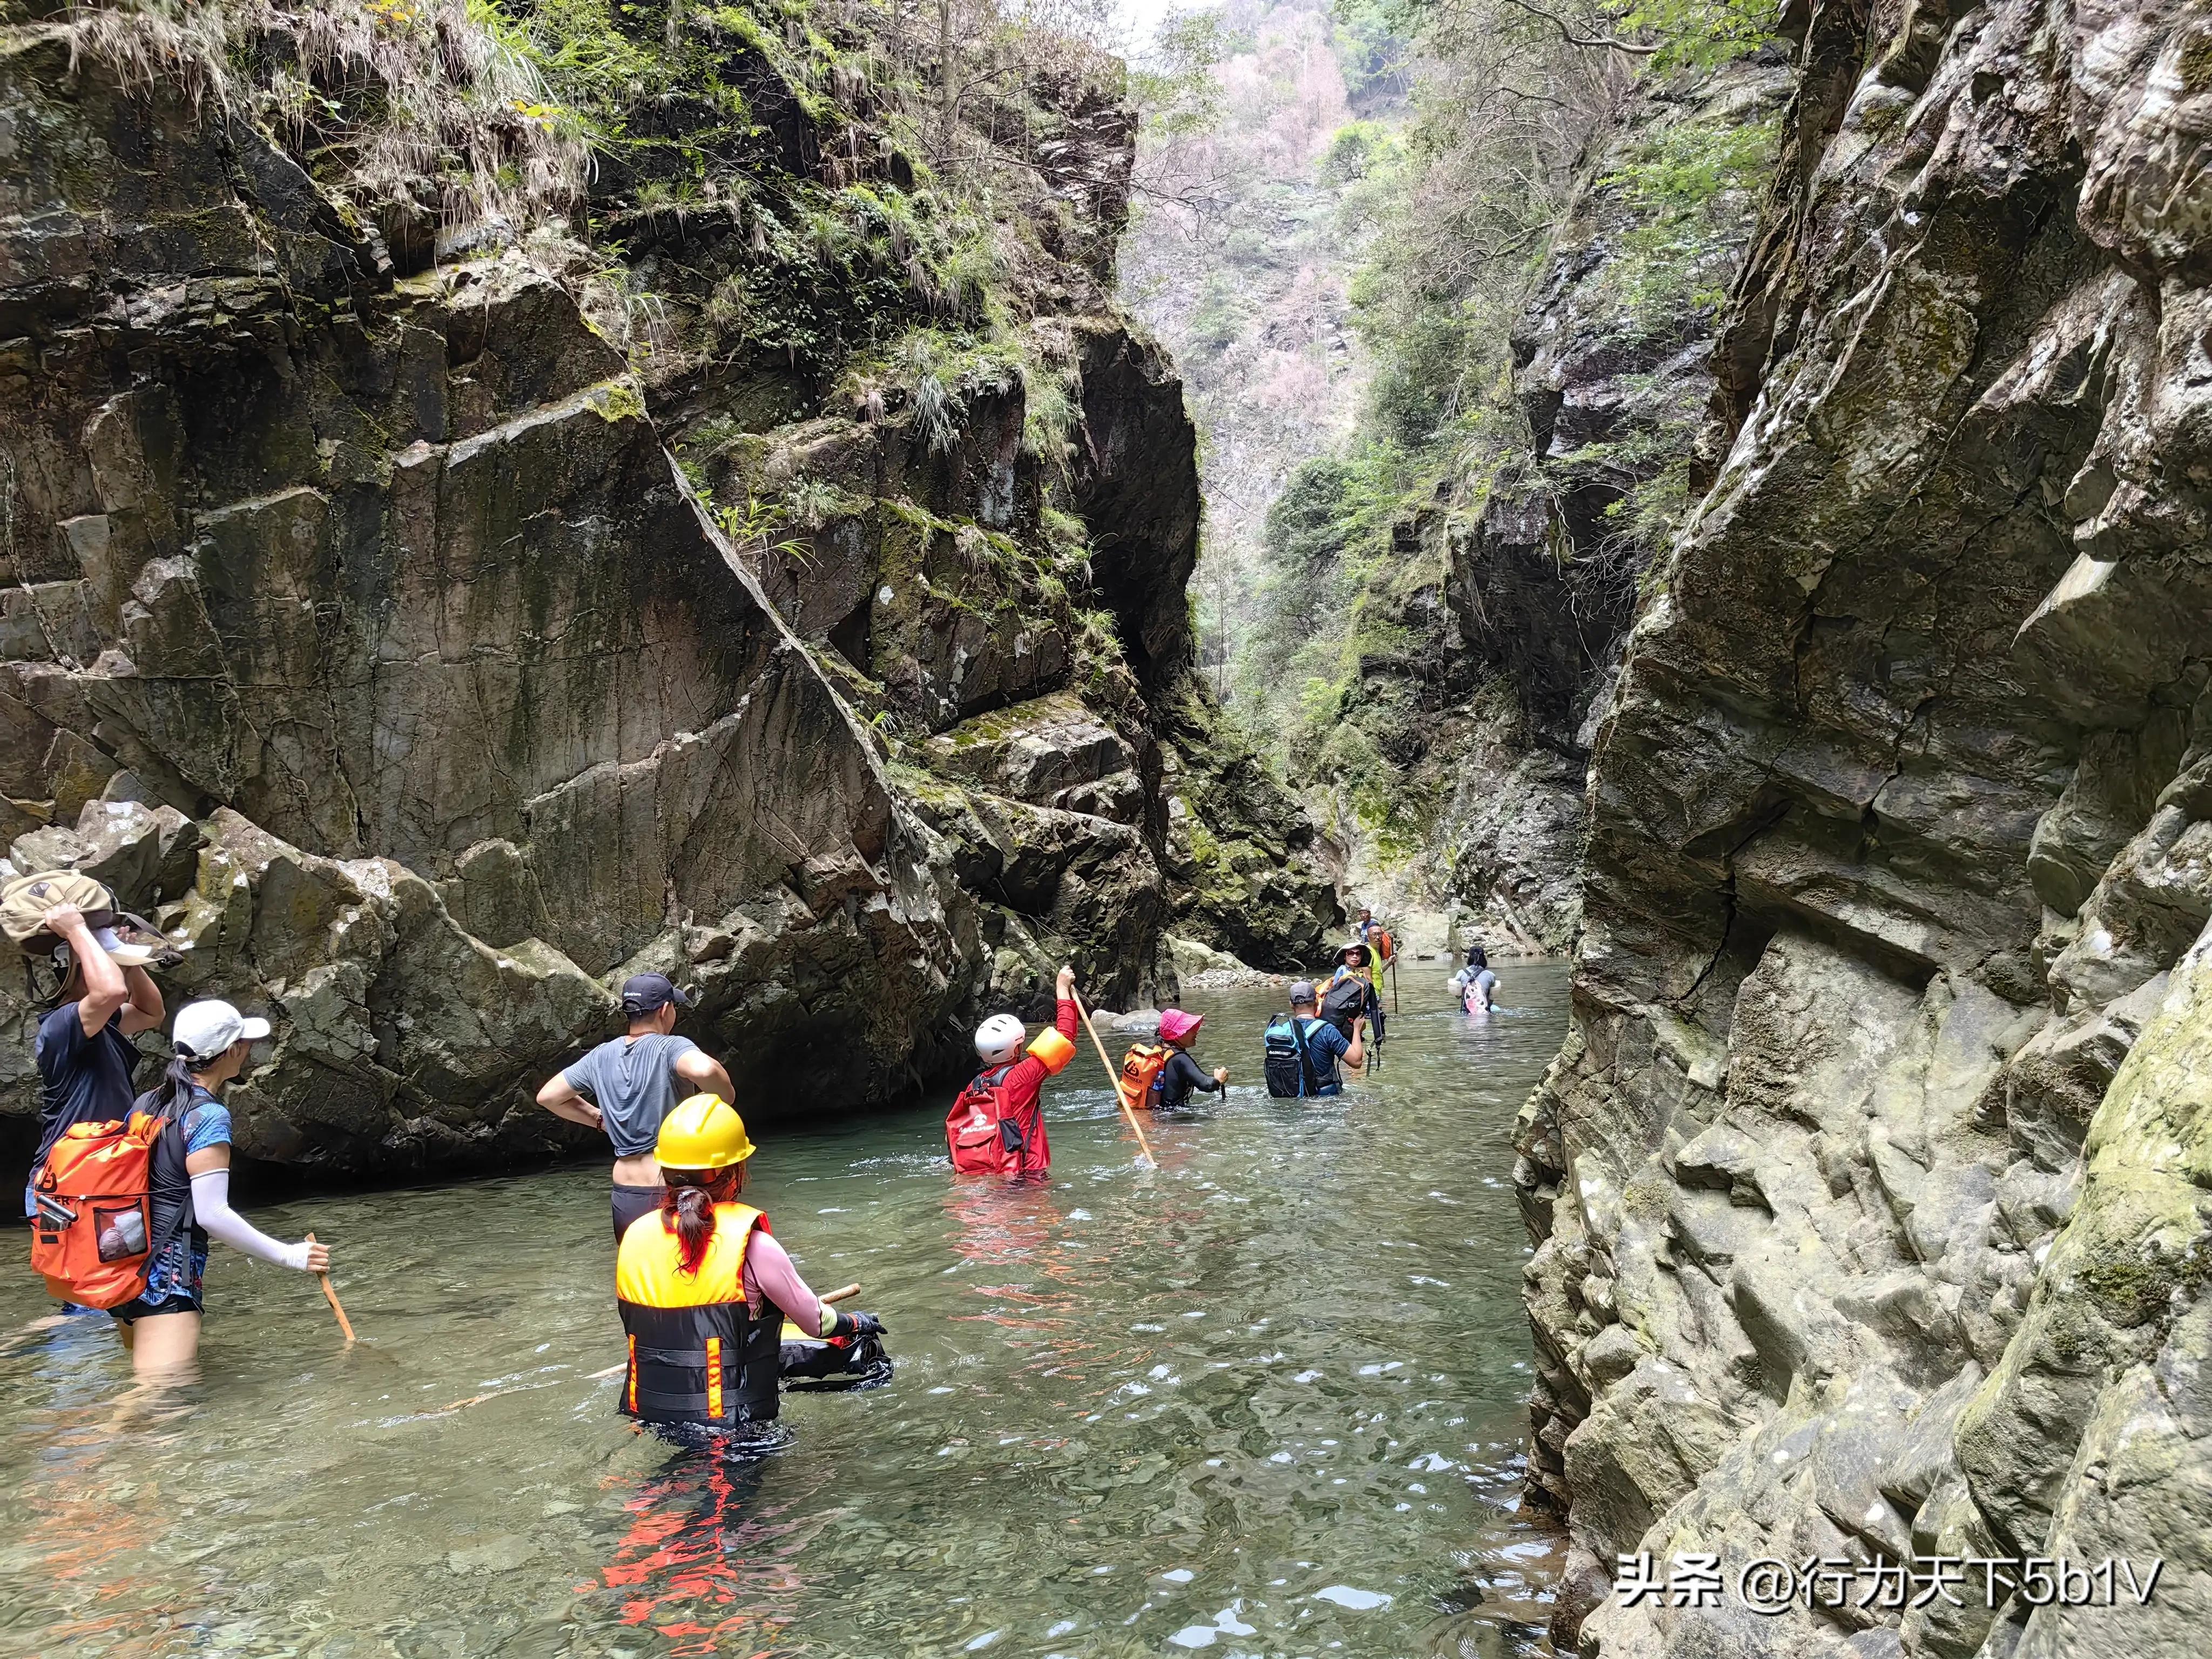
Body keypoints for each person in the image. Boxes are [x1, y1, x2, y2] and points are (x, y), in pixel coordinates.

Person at [616, 1092, 882, 1441]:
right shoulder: (754, 1246)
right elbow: (817, 1323)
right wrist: (857, 1321)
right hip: (732, 1428)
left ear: (665, 1173)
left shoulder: (635, 1236)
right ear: (737, 1173)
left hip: (648, 1416)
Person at [102, 1000, 332, 1378]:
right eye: (245, 1041)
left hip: (124, 1257)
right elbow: (212, 1214)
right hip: (167, 1273)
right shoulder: (208, 1116)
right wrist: (289, 1255)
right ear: (231, 1051)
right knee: (161, 1394)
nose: (249, 1048)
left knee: (146, 1380)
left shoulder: (147, 1102)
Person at [536, 973, 737, 1243]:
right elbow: (705, 1069)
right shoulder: (671, 1046)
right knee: (692, 1265)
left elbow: (548, 1097)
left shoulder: (600, 1055)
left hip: (626, 1190)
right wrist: (722, 1097)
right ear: (665, 1010)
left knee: (638, 1266)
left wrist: (599, 1119)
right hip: (670, 1184)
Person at [30, 902, 165, 1185]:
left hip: (102, 1172)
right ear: (81, 972)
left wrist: (129, 965)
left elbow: (151, 1013)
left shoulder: (102, 1022)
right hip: (66, 1179)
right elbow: (111, 992)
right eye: (109, 965)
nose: (115, 974)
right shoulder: (61, 1024)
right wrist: (76, 930)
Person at [946, 965, 1079, 1178]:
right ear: (1017, 1049)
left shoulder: (975, 1086)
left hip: (990, 1172)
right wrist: (1062, 988)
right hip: (1027, 1174)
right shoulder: (1023, 1076)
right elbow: (1065, 1036)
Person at [1262, 980, 1363, 1098]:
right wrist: (1357, 1029)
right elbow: (1356, 1062)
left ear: (1291, 1004)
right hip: (1324, 1100)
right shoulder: (1327, 1030)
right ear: (1317, 1002)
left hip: (1290, 1096)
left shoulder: (1281, 1032)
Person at [1123, 1009, 1227, 1111]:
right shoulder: (1180, 1059)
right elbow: (1208, 1085)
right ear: (1176, 1035)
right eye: (1188, 1029)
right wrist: (1219, 1080)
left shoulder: (1160, 1051)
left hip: (1157, 1114)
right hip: (1176, 1118)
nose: (1196, 1032)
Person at [1328, 941, 1386, 1046]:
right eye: (1351, 953)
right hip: (1343, 1018)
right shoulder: (1344, 971)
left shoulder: (1357, 972)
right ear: (1345, 956)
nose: (1355, 956)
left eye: (1358, 954)